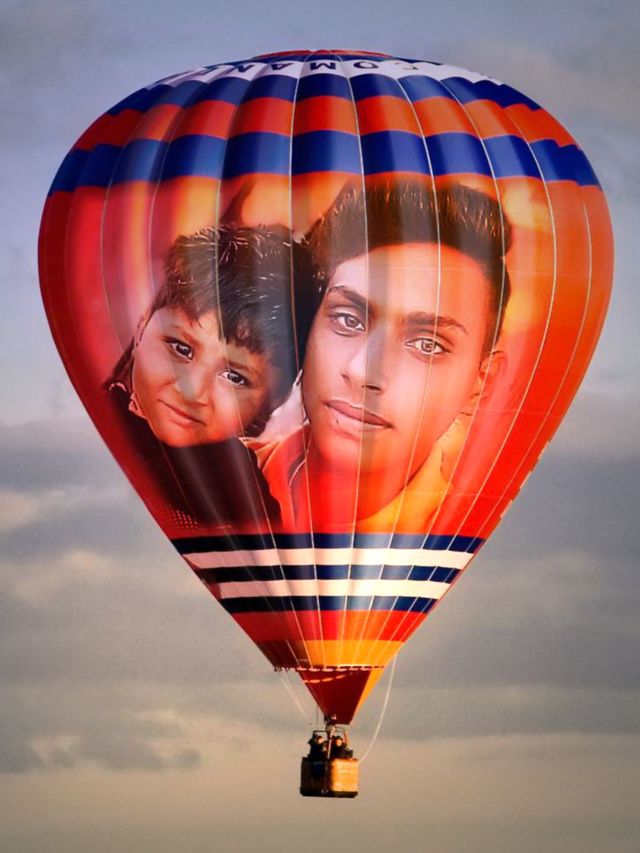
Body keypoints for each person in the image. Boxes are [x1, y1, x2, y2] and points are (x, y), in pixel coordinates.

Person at [258, 180, 512, 531]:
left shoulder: (458, 533)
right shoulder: (212, 484)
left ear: (481, 383)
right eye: (348, 319)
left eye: (427, 345)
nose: (363, 371)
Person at [105, 224, 305, 531]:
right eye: (180, 348)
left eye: (234, 377)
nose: (191, 391)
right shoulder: (97, 423)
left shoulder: (242, 498)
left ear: (272, 401)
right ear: (142, 328)